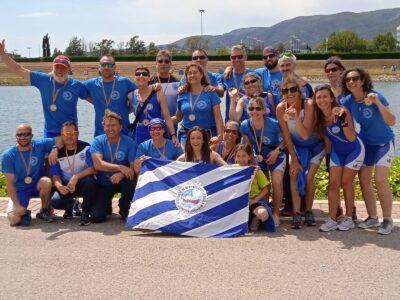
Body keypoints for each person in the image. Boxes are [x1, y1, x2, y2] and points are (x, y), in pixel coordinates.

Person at [341, 68, 396, 235]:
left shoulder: (376, 95)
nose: (351, 82)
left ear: (363, 80)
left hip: (383, 143)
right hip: (366, 144)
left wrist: (378, 103)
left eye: (355, 78)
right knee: (364, 179)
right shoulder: (348, 101)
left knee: (380, 180)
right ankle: (373, 217)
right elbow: (348, 123)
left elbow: (392, 121)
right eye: (348, 80)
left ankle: (387, 220)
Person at [0, 40, 88, 138]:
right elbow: (18, 69)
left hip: (70, 133)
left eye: (63, 68)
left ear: (69, 70)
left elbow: (92, 99)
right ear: (53, 68)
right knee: (49, 153)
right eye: (57, 67)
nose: (59, 71)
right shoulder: (43, 80)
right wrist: (2, 53)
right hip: (50, 132)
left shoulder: (76, 85)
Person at [314, 85, 365, 231]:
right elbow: (328, 140)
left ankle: (349, 218)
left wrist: (343, 121)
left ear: (331, 98)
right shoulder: (320, 117)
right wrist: (328, 159)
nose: (322, 100)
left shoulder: (343, 111)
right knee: (332, 184)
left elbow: (350, 137)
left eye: (325, 96)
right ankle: (332, 219)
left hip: (354, 149)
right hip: (337, 152)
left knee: (346, 182)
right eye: (319, 97)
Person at [276, 77, 325, 229]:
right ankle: (297, 212)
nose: (289, 93)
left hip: (316, 145)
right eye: (285, 91)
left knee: (309, 178)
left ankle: (308, 210)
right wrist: (295, 160)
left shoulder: (308, 104)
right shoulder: (280, 108)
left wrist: (296, 117)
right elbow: (287, 137)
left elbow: (305, 134)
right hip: (298, 147)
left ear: (299, 91)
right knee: (294, 173)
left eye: (293, 89)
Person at [240, 97, 286, 226]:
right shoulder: (245, 125)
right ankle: (265, 212)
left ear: (264, 110)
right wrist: (252, 160)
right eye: (251, 108)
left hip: (276, 155)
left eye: (258, 108)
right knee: (263, 185)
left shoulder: (274, 123)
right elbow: (248, 146)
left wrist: (277, 151)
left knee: (277, 182)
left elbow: (286, 139)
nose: (254, 111)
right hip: (259, 156)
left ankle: (276, 213)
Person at [1, 124, 57, 226]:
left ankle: (44, 210)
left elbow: (62, 139)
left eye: (26, 134)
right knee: (14, 221)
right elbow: (9, 183)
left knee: (47, 182)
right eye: (19, 135)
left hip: (37, 186)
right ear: (16, 136)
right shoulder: (8, 155)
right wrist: (17, 205)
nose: (23, 137)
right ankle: (22, 210)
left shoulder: (40, 145)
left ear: (31, 136)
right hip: (20, 189)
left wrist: (54, 148)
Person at [90, 111, 137, 222]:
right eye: (108, 125)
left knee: (131, 179)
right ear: (104, 126)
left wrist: (122, 173)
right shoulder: (98, 141)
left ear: (120, 127)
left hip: (122, 180)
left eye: (114, 125)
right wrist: (120, 168)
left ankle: (124, 208)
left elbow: (133, 167)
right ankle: (106, 206)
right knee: (97, 217)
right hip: (104, 182)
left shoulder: (129, 142)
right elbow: (98, 164)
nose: (110, 128)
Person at [49, 121, 98, 226]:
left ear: (77, 133)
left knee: (90, 182)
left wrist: (76, 177)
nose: (69, 136)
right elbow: (55, 176)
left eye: (73, 133)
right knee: (55, 201)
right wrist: (59, 186)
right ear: (62, 135)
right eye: (66, 134)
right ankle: (71, 204)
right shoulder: (56, 153)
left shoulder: (86, 147)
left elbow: (93, 169)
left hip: (82, 183)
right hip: (66, 185)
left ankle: (85, 211)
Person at [83, 55, 137, 136]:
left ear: (115, 67)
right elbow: (75, 89)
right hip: (101, 133)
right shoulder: (91, 84)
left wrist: (129, 109)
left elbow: (141, 93)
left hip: (123, 133)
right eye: (104, 64)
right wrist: (95, 102)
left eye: (110, 64)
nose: (107, 67)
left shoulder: (125, 82)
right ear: (99, 67)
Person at [175, 63, 223, 146]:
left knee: (206, 159)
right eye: (189, 73)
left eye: (195, 72)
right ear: (186, 76)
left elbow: (218, 117)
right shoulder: (182, 93)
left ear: (201, 75)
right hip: (186, 135)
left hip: (207, 135)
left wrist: (220, 136)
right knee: (187, 159)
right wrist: (163, 122)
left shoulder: (210, 92)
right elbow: (178, 117)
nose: (192, 75)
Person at [129, 66, 178, 145]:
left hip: (157, 132)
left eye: (144, 74)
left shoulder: (158, 93)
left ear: (149, 78)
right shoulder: (131, 95)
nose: (141, 76)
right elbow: (131, 115)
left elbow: (167, 117)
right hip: (139, 134)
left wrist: (173, 135)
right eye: (138, 74)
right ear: (134, 78)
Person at [234, 144, 275, 233]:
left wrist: (254, 200)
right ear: (235, 157)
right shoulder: (232, 169)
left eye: (244, 156)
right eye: (238, 156)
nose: (241, 159)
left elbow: (266, 189)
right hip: (238, 202)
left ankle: (256, 218)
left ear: (249, 156)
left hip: (254, 201)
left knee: (262, 214)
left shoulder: (255, 170)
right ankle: (250, 220)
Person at [221, 45, 253, 121]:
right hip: (231, 122)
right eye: (233, 57)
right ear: (230, 58)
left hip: (250, 120)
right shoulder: (225, 76)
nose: (237, 59)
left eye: (240, 56)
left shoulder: (253, 75)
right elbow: (219, 93)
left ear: (245, 57)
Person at [148, 50, 180, 117]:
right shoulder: (149, 82)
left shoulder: (177, 83)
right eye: (160, 61)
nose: (163, 63)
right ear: (156, 63)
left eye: (166, 61)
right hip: (153, 124)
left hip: (172, 123)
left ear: (170, 64)